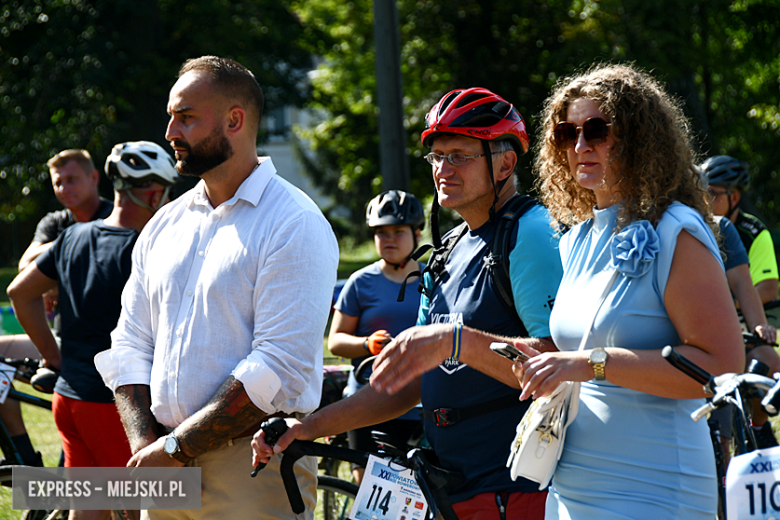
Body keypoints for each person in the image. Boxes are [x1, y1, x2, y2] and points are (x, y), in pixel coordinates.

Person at [255, 87, 563, 520]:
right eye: (436, 157)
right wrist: (309, 427)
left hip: (513, 487)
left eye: (459, 155)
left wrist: (454, 341)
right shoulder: (448, 250)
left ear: (505, 163)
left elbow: (557, 369)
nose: (443, 169)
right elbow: (404, 385)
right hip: (449, 487)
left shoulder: (529, 233)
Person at [93, 56, 339, 520]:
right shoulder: (165, 223)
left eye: (185, 117)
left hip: (252, 467)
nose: (170, 131)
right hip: (163, 460)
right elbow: (129, 342)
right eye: (171, 115)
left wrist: (173, 449)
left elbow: (277, 367)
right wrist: (148, 448)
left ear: (234, 120)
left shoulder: (294, 223)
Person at [517, 63, 744, 519]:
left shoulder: (676, 230)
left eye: (597, 130)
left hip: (655, 488)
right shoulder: (577, 238)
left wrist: (588, 363)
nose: (580, 146)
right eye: (567, 133)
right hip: (572, 486)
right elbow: (580, 348)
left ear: (638, 138)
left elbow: (722, 366)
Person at [7, 140, 179, 520]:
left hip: (69, 400)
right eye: (167, 194)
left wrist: (53, 355)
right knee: (148, 510)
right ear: (153, 194)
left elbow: (20, 292)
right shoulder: (146, 250)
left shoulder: (73, 236)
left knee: (87, 512)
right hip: (116, 407)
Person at [0, 149, 114, 466]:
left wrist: (52, 274)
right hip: (60, 343)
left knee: (86, 475)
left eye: (72, 179)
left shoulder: (114, 216)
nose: (64, 188)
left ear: (94, 178)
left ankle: (60, 490)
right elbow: (26, 267)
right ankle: (24, 461)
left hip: (100, 350)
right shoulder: (56, 222)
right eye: (58, 182)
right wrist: (55, 277)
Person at [329, 189, 426, 482]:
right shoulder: (361, 282)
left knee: (419, 490)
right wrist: (366, 344)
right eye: (382, 233)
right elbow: (335, 341)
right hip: (366, 398)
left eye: (398, 231)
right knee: (369, 489)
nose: (390, 239)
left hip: (418, 401)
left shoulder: (433, 279)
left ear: (417, 233)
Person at [714, 215, 780, 450]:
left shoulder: (722, 227)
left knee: (769, 362)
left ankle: (758, 430)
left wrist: (759, 325)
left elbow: (744, 282)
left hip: (727, 336)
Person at [702, 155, 779, 303]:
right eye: (701, 194)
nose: (705, 201)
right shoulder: (693, 228)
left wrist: (724, 306)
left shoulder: (754, 233)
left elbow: (768, 290)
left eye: (712, 194)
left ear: (735, 198)